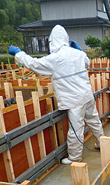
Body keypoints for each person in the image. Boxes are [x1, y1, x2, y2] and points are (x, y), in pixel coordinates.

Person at [8, 24, 104, 165]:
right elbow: (87, 62)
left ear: (52, 41)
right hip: (87, 95)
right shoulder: (78, 54)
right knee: (94, 121)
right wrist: (78, 49)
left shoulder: (55, 58)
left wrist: (18, 53)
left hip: (74, 100)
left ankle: (74, 158)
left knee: (76, 130)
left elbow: (33, 64)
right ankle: (102, 144)